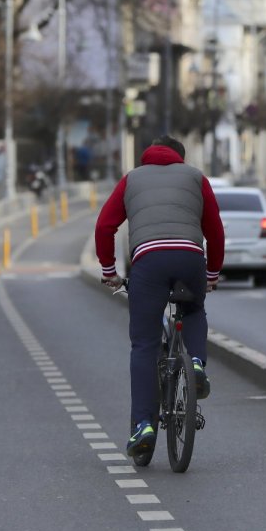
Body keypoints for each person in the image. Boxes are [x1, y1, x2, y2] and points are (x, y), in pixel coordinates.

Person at [95, 135, 225, 459]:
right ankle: (195, 363)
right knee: (193, 310)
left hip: (148, 263)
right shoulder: (196, 177)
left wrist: (110, 270)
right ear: (180, 158)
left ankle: (143, 425)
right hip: (190, 258)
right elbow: (215, 230)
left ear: (147, 156)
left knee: (144, 344)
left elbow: (104, 227)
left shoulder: (131, 180)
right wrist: (211, 275)